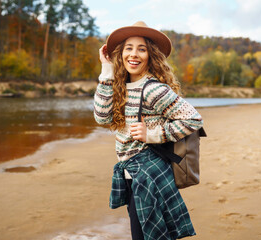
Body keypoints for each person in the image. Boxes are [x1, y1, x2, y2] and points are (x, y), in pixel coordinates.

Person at [94, 21, 203, 240]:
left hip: (149, 174)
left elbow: (194, 119)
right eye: (129, 48)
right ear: (121, 53)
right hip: (132, 174)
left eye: (141, 49)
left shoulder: (153, 88)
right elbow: (102, 117)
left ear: (150, 55)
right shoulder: (120, 85)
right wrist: (106, 71)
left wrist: (152, 134)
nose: (134, 54)